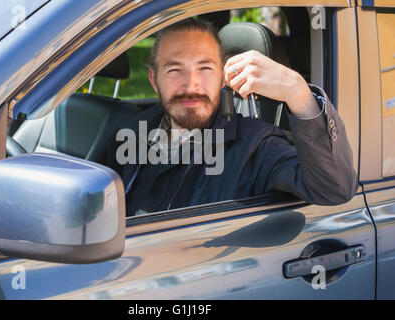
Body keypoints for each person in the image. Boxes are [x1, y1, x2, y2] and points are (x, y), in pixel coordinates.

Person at [97, 18, 358, 216]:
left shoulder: (256, 147)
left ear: (223, 77)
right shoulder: (132, 133)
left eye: (205, 68)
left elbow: (334, 189)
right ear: (155, 81)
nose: (191, 85)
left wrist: (298, 93)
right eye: (175, 69)